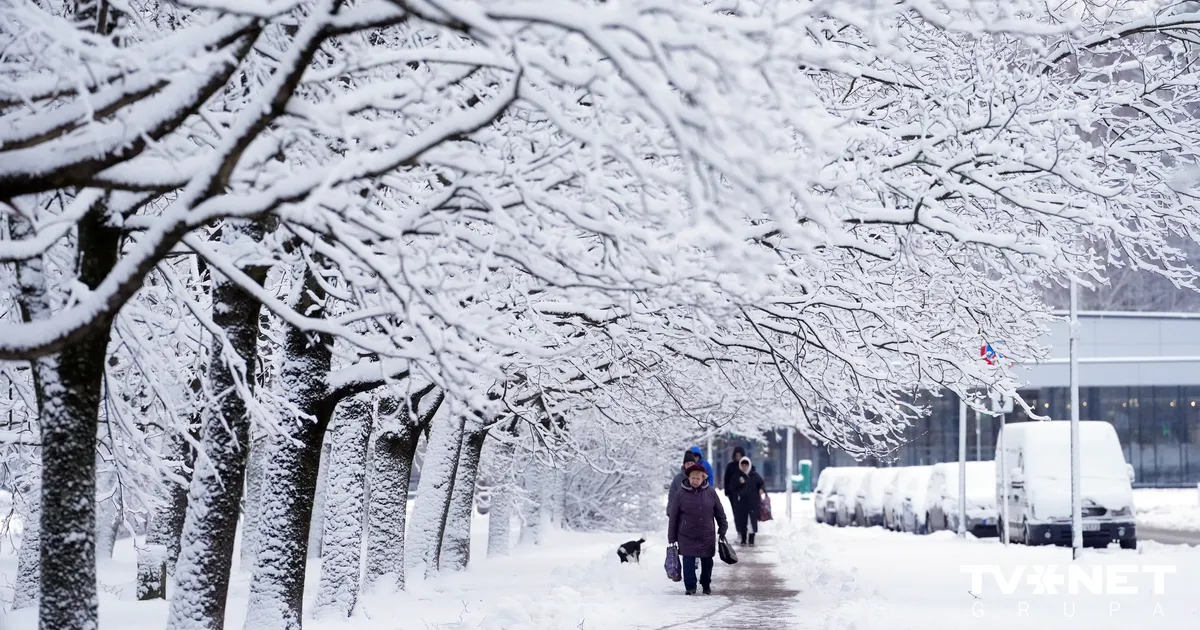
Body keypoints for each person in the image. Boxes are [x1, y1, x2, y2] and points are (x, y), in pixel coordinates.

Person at [668, 461, 728, 595]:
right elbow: (674, 517)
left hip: (706, 534)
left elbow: (719, 513)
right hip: (686, 534)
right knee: (688, 561)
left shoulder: (711, 493)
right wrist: (672, 537)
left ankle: (706, 583)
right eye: (693, 478)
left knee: (707, 561)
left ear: (703, 478)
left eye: (698, 478)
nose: (695, 481)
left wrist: (722, 528)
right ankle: (690, 587)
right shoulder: (681, 494)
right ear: (688, 478)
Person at [732, 456, 766, 546]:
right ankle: (743, 539)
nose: (744, 467)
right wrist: (740, 484)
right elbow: (732, 488)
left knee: (752, 521)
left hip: (753, 502)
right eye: (742, 465)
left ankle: (751, 539)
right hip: (741, 502)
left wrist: (761, 489)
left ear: (749, 465)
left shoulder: (754, 475)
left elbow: (762, 484)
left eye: (746, 465)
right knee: (742, 521)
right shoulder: (737, 476)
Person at [665, 450, 698, 516]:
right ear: (684, 465)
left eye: (692, 463)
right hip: (681, 514)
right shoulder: (677, 479)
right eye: (688, 464)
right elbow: (672, 496)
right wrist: (670, 511)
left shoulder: (700, 478)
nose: (690, 466)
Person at [722, 446, 746, 514]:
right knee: (735, 510)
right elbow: (726, 479)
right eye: (737, 456)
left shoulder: (745, 465)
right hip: (732, 492)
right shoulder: (730, 466)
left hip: (744, 491)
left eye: (740, 456)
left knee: (743, 510)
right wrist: (726, 490)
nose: (738, 457)